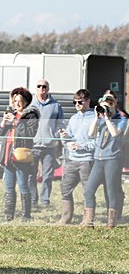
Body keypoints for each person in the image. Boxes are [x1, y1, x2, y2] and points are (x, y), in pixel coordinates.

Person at [81, 94, 127, 228]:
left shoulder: (121, 119)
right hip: (98, 159)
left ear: (114, 105)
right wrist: (96, 117)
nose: (107, 107)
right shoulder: (100, 119)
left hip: (112, 159)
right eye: (104, 105)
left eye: (110, 104)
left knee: (111, 191)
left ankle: (111, 222)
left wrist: (107, 118)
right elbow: (90, 134)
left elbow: (114, 133)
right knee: (88, 190)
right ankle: (89, 221)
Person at [0, 87, 40, 221]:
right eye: (14, 101)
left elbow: (30, 133)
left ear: (26, 102)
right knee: (9, 186)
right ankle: (8, 215)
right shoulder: (11, 112)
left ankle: (26, 216)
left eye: (18, 101)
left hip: (21, 154)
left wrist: (15, 121)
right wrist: (4, 121)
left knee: (23, 185)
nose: (16, 104)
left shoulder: (31, 114)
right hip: (7, 153)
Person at [57, 89, 96, 224]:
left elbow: (98, 141)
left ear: (88, 101)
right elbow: (68, 138)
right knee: (65, 188)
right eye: (75, 102)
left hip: (87, 160)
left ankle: (88, 220)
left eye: (80, 101)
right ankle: (65, 218)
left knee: (88, 191)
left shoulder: (95, 118)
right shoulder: (73, 118)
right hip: (71, 159)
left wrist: (82, 147)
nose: (77, 104)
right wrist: (65, 138)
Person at [29, 79, 65, 207]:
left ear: (48, 89)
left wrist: (55, 135)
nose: (42, 88)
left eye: (44, 86)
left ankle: (45, 201)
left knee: (48, 175)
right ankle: (33, 200)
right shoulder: (30, 104)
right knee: (31, 175)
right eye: (39, 86)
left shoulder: (56, 105)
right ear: (36, 88)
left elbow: (60, 123)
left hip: (49, 146)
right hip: (33, 145)